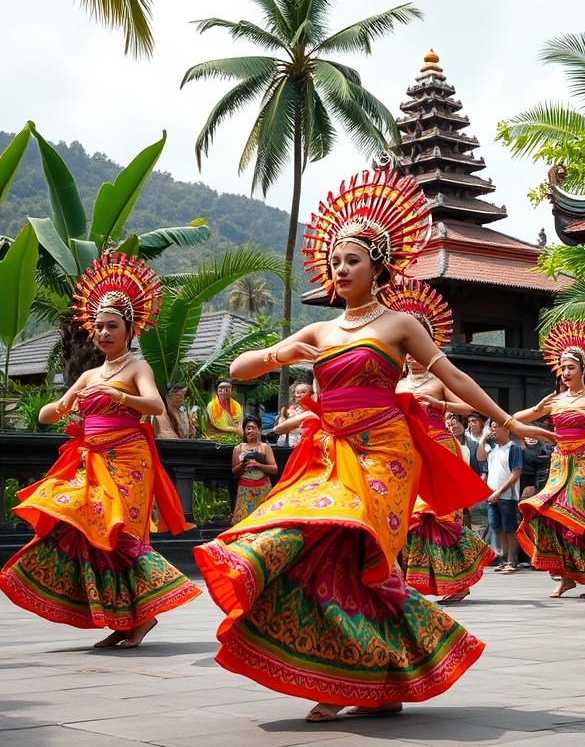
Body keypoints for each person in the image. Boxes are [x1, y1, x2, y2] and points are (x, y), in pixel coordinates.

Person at [193, 168, 554, 723]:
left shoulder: (400, 325)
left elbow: (454, 378)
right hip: (329, 453)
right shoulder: (319, 334)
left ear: (378, 265)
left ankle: (353, 682)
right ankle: (367, 673)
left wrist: (510, 420)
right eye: (335, 261)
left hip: (386, 453)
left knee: (361, 549)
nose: (341, 269)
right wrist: (275, 355)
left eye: (352, 259)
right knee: (308, 545)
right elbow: (241, 369)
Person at [0, 254, 200, 648]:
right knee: (80, 526)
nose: (104, 333)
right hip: (89, 459)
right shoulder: (89, 374)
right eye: (99, 327)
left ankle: (145, 613)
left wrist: (114, 393)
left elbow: (156, 407)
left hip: (128, 460)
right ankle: (124, 619)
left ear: (129, 330)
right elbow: (44, 415)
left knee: (118, 534)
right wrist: (62, 406)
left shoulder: (137, 368)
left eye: (112, 326)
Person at [383, 279, 495, 603]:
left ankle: (456, 583)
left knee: (438, 515)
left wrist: (440, 405)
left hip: (440, 445)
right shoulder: (398, 382)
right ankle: (419, 582)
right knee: (412, 518)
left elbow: (471, 406)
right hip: (408, 452)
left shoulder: (439, 378)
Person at [514, 321, 585, 598]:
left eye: (570, 367)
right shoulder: (553, 399)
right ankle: (567, 577)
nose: (565, 373)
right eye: (562, 367)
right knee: (548, 515)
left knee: (573, 519)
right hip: (560, 462)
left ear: (583, 369)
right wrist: (538, 410)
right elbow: (515, 419)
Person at [476, 419, 524, 574]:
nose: (494, 431)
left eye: (497, 428)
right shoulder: (492, 450)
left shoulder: (513, 448)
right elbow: (480, 458)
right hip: (492, 495)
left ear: (507, 430)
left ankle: (512, 560)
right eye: (492, 428)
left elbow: (516, 472)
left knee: (509, 528)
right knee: (497, 528)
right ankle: (503, 559)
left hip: (507, 496)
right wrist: (482, 439)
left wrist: (500, 491)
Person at [230, 416, 278, 524]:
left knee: (264, 522)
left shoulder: (265, 447)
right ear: (244, 431)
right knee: (244, 523)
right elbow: (234, 473)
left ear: (260, 431)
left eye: (255, 428)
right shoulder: (238, 449)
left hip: (263, 489)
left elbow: (274, 469)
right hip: (245, 490)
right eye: (248, 428)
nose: (251, 431)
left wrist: (258, 465)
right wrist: (243, 464)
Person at [275, 381, 313, 447]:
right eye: (297, 392)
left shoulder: (312, 410)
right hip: (287, 442)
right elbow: (280, 428)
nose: (299, 395)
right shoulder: (286, 409)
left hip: (306, 441)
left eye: (303, 392)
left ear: (309, 394)